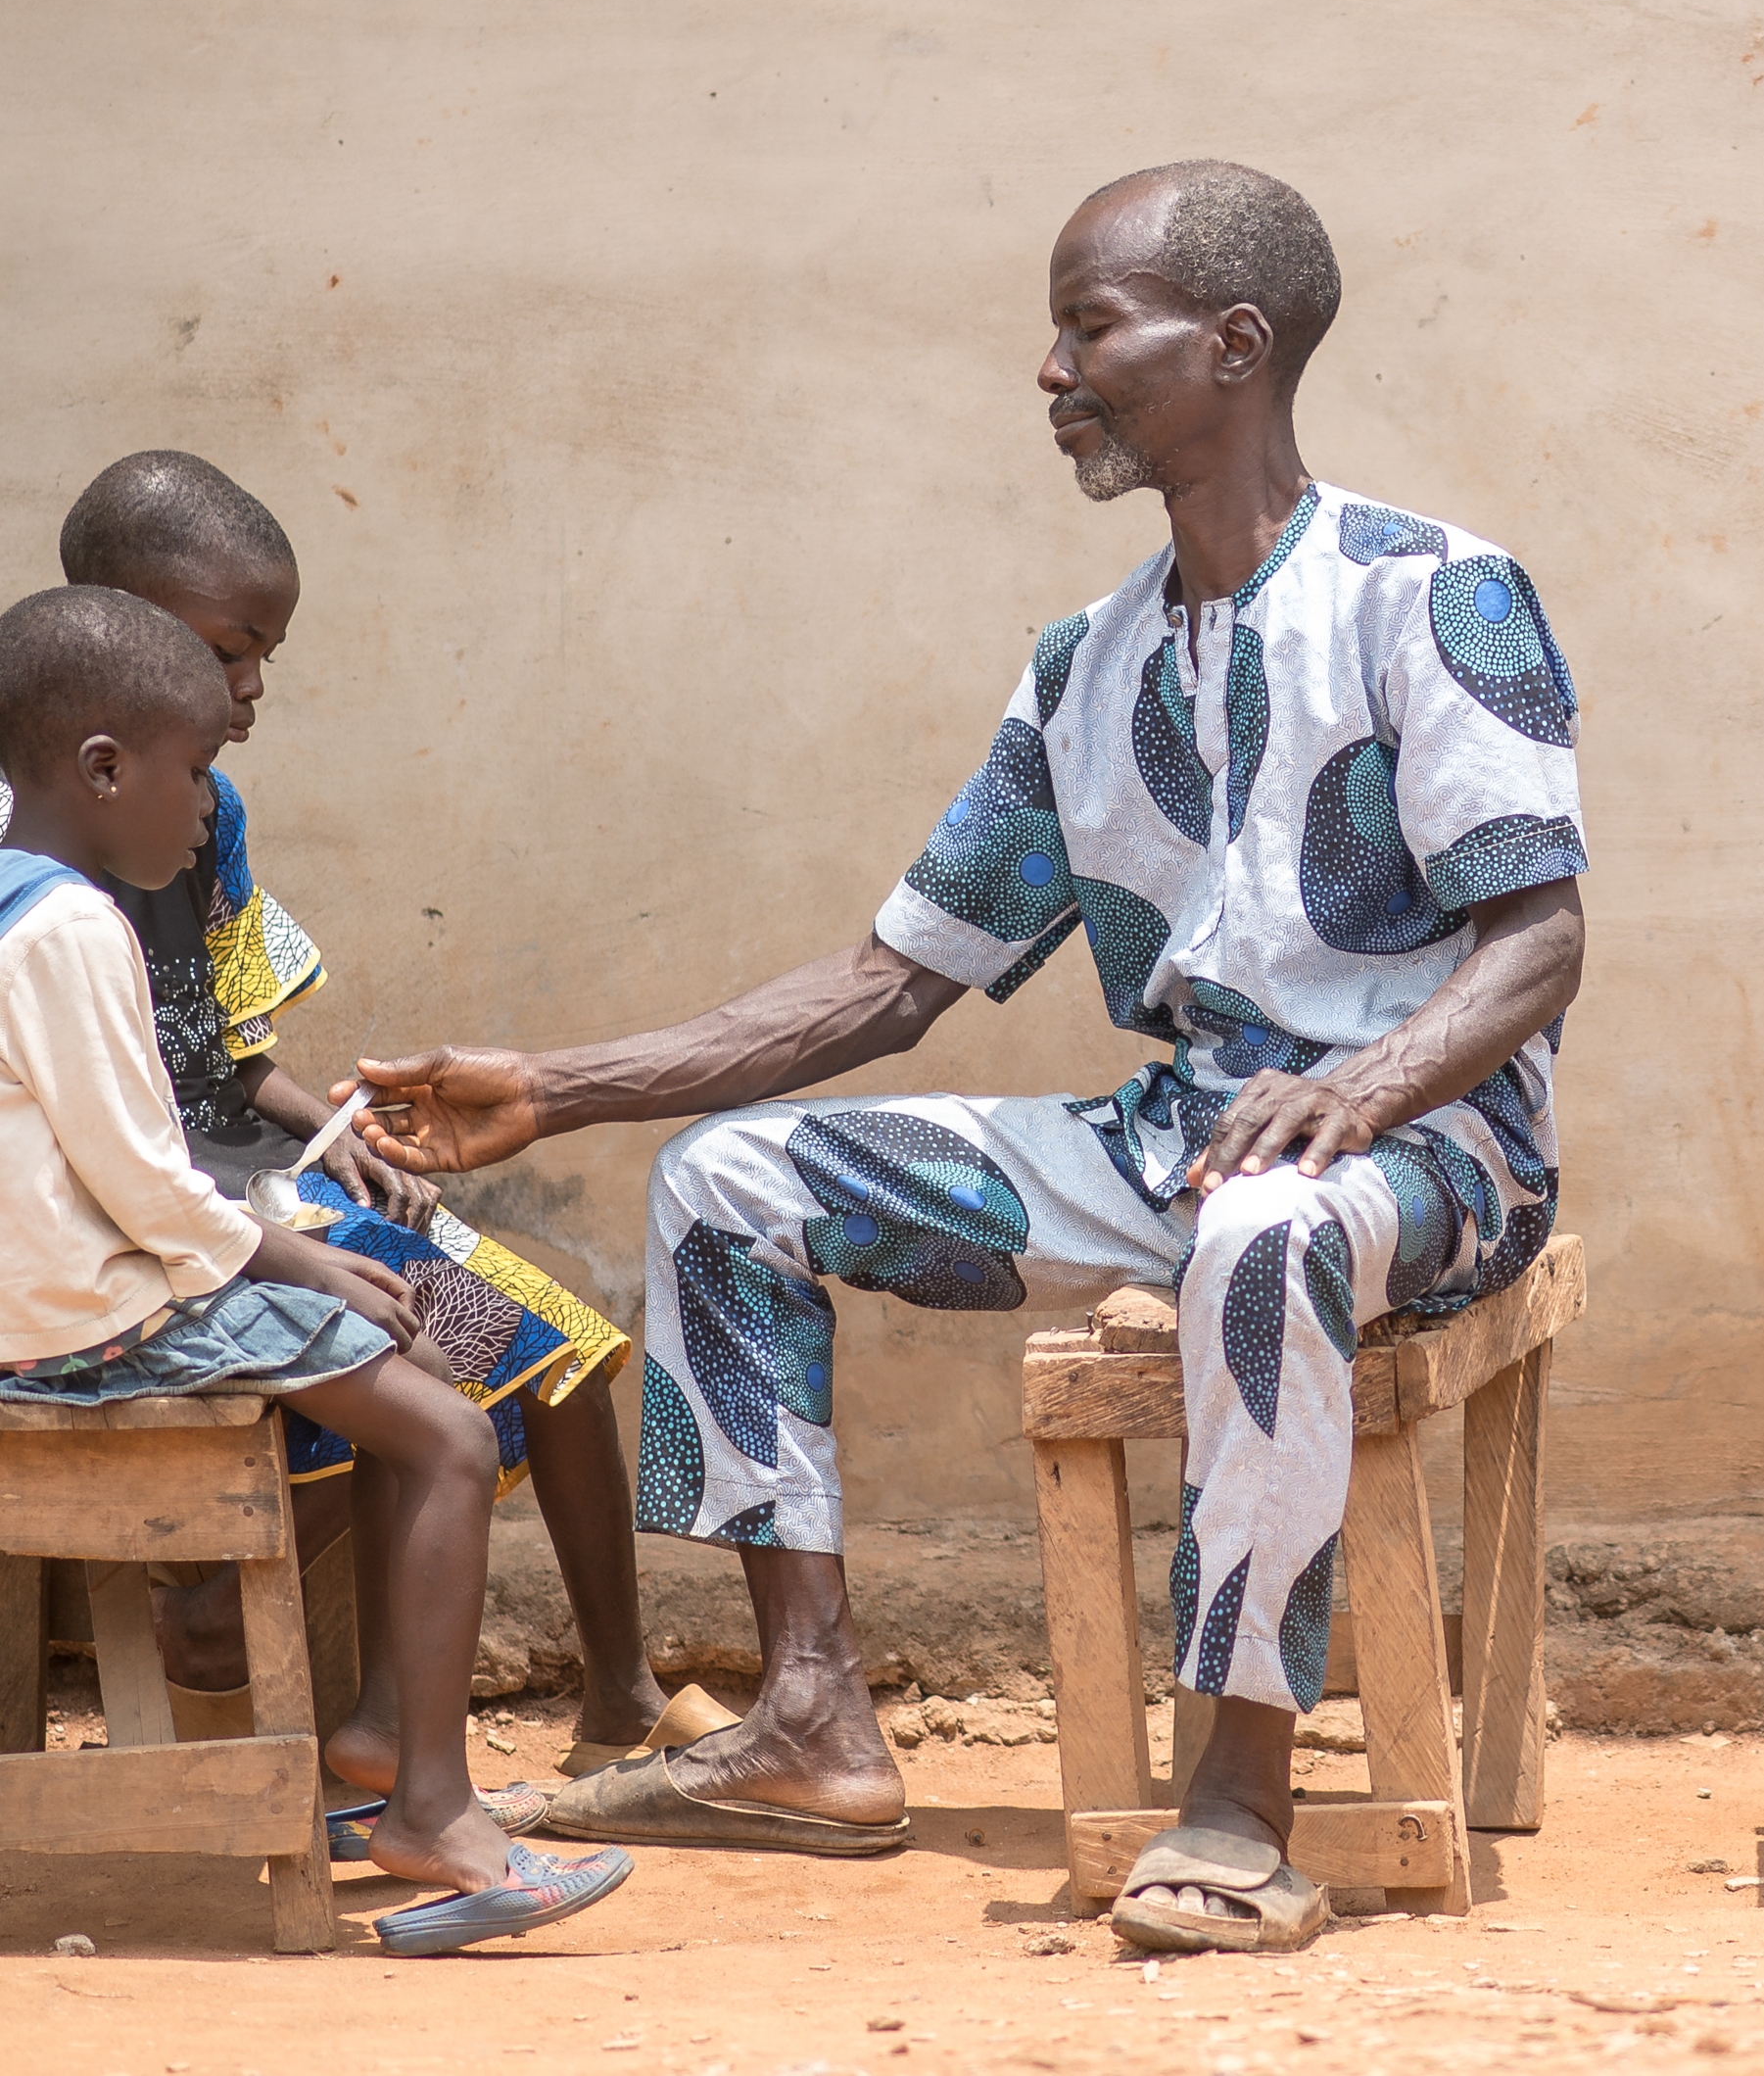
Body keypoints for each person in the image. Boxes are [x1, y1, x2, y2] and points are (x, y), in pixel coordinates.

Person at [349, 160, 1589, 1957]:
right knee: (731, 1183)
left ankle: (1239, 1799)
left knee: (1269, 1229)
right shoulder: (1085, 667)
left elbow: (1538, 938)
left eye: (1091, 326)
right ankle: (810, 1722)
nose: (1051, 369)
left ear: (1233, 345)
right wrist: (560, 1085)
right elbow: (890, 979)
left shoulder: (1437, 597)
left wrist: (1365, 1089)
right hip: (1173, 1134)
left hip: (1434, 1150)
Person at [26, 451, 691, 1780]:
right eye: (230, 650)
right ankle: (320, 1672)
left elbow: (222, 1049)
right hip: (149, 1210)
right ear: (127, 625)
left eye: (263, 653)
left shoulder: (203, 810)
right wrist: (280, 1203)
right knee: (458, 1328)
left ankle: (616, 1689)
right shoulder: (38, 851)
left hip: (225, 1172)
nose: (251, 685)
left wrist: (345, 1130)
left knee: (558, 1343)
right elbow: (121, 1133)